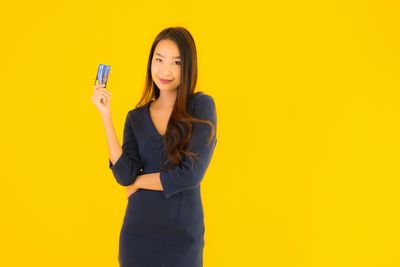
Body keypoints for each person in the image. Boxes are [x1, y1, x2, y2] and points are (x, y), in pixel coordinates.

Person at [91, 26, 217, 267]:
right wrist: (106, 116)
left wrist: (139, 182)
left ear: (188, 66)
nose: (165, 70)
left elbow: (191, 175)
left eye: (176, 62)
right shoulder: (135, 118)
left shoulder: (201, 107)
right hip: (137, 237)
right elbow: (125, 174)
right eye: (159, 59)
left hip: (182, 238)